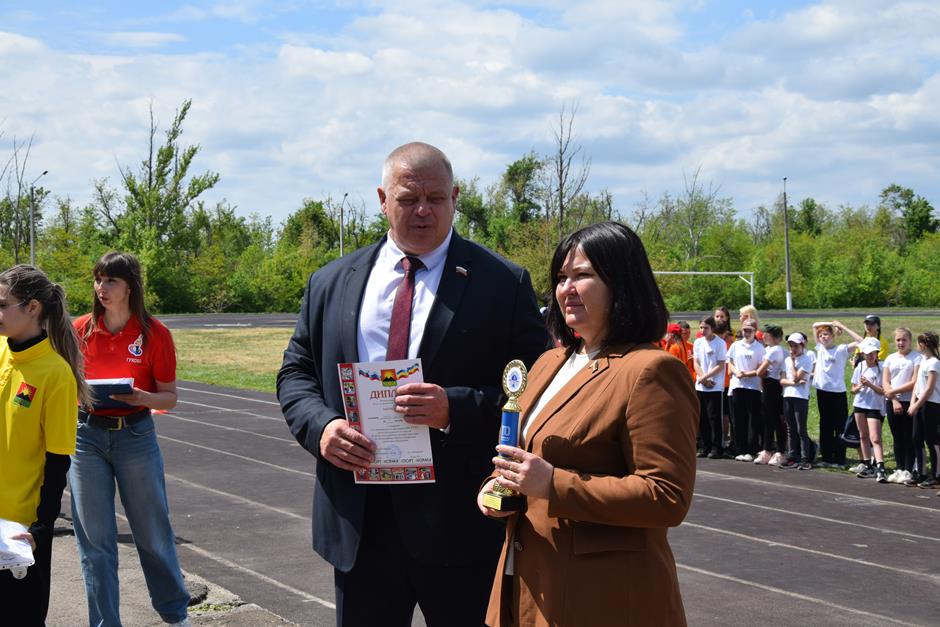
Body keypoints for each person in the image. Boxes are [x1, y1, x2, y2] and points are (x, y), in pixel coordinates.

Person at [277, 142, 548, 627]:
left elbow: (536, 390)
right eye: (408, 199)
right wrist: (322, 428)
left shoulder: (502, 283)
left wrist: (454, 409)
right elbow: (296, 372)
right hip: (360, 523)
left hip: (459, 525)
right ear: (383, 200)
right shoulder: (331, 281)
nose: (423, 210)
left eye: (436, 198)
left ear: (455, 198)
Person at [477, 221, 698, 627]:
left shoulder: (651, 370)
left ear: (622, 283)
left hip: (601, 600)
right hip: (526, 586)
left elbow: (667, 496)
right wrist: (497, 487)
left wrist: (552, 484)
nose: (566, 289)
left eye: (582, 275)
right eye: (561, 277)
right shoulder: (548, 362)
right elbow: (526, 456)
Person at [70, 252, 191, 627]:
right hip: (86, 437)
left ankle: (175, 614)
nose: (101, 288)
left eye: (111, 281)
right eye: (98, 279)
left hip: (135, 435)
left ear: (130, 287)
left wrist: (141, 397)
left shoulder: (155, 334)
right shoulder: (79, 330)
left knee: (153, 533)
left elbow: (169, 397)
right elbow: (64, 384)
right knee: (95, 542)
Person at [0, 265, 88, 625]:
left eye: (2, 304)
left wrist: (40, 530)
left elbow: (57, 462)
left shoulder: (55, 374)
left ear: (32, 307)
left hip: (19, 533)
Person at [811, 320, 864, 469]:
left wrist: (841, 326)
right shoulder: (820, 348)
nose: (823, 337)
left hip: (837, 393)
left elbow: (861, 341)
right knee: (825, 425)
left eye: (826, 334)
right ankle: (827, 457)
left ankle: (840, 459)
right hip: (822, 392)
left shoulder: (840, 349)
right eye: (821, 335)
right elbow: (815, 325)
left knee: (840, 426)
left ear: (833, 336)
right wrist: (830, 322)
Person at [882, 328, 921, 484]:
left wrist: (893, 392)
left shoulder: (916, 358)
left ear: (910, 341)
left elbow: (914, 382)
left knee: (908, 436)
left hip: (909, 401)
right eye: (898, 340)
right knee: (897, 436)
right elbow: (885, 381)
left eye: (904, 340)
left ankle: (908, 469)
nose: (901, 343)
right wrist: (893, 399)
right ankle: (899, 469)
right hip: (892, 402)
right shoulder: (890, 358)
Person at [727, 319, 765, 462]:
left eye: (750, 330)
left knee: (752, 419)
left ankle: (751, 449)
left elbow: (761, 368)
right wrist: (737, 372)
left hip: (753, 387)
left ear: (755, 331)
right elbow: (730, 362)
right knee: (738, 418)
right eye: (745, 330)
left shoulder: (759, 348)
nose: (747, 333)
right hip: (738, 385)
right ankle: (740, 449)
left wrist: (747, 374)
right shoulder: (736, 345)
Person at [907, 332, 940, 489]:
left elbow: (929, 388)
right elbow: (918, 385)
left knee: (931, 440)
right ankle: (921, 472)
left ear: (923, 344)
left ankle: (936, 475)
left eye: (918, 343)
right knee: (916, 438)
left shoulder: (934, 362)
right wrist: (912, 402)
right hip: (920, 403)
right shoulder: (923, 360)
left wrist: (916, 405)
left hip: (931, 404)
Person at [851, 338, 887, 481]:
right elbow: (853, 389)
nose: (871, 356)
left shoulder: (882, 368)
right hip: (860, 404)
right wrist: (859, 387)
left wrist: (870, 385)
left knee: (875, 438)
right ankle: (867, 465)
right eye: (868, 354)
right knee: (863, 435)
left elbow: (883, 391)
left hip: (874, 406)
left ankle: (880, 467)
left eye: (873, 353)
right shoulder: (860, 367)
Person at [694, 316, 727, 459]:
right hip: (701, 385)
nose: (703, 330)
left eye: (706, 328)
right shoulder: (698, 342)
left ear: (712, 328)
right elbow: (696, 362)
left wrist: (707, 377)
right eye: (701, 327)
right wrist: (702, 378)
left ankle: (716, 447)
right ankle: (704, 446)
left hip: (715, 386)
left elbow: (720, 365)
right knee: (702, 417)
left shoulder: (720, 343)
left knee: (714, 417)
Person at [780, 332, 815, 469]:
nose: (793, 349)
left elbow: (796, 377)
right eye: (791, 346)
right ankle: (792, 456)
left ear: (802, 346)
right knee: (791, 428)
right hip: (788, 395)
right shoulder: (786, 360)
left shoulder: (806, 360)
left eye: (796, 346)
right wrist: (793, 383)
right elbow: (783, 380)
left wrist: (794, 363)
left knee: (801, 428)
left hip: (800, 397)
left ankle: (805, 458)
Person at [755, 324, 787, 465]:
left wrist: (761, 372)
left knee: (775, 419)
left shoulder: (775, 350)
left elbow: (759, 371)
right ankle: (767, 449)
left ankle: (780, 451)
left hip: (773, 385)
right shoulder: (769, 349)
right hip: (768, 385)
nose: (763, 337)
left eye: (766, 335)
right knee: (768, 419)